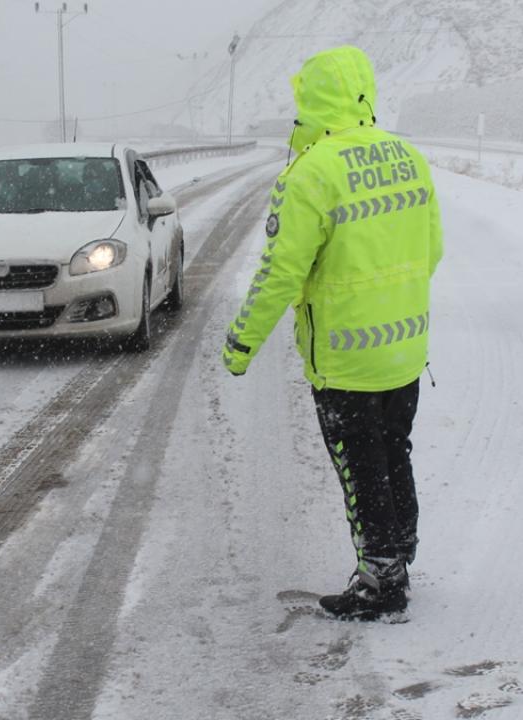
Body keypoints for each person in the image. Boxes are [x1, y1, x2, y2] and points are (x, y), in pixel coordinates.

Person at [221, 45, 443, 621]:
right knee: (394, 454)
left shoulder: (311, 172)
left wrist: (242, 342)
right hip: (405, 349)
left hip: (346, 361)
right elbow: (431, 250)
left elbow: (280, 274)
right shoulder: (408, 158)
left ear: (311, 100)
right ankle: (399, 556)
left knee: (360, 468)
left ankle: (380, 583)